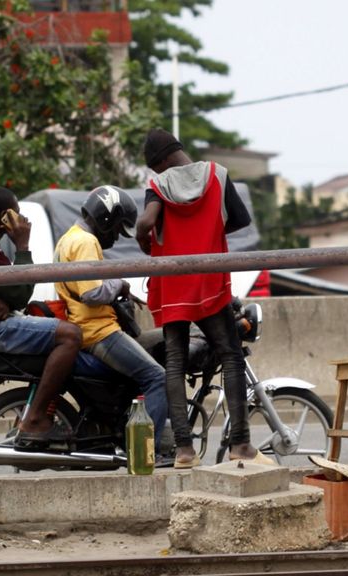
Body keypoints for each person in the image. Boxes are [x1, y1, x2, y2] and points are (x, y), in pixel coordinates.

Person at [136, 128, 270, 468]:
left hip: (174, 285)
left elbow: (145, 222)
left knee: (175, 364)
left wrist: (146, 243)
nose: (158, 174)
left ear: (162, 160)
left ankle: (183, 451)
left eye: (156, 167)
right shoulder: (217, 174)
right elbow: (241, 218)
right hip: (210, 281)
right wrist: (208, 234)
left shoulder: (158, 187)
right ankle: (240, 444)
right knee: (231, 356)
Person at [0, 186, 82, 451]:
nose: (21, 219)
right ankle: (35, 418)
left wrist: (4, 302)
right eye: (17, 213)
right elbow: (21, 293)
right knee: (71, 335)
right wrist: (23, 245)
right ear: (5, 217)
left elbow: (6, 291)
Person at [54, 185, 168, 451]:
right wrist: (119, 283)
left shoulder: (68, 238)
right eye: (117, 229)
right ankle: (146, 450)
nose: (116, 238)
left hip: (86, 328)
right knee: (157, 377)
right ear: (107, 218)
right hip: (98, 332)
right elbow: (92, 292)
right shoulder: (85, 241)